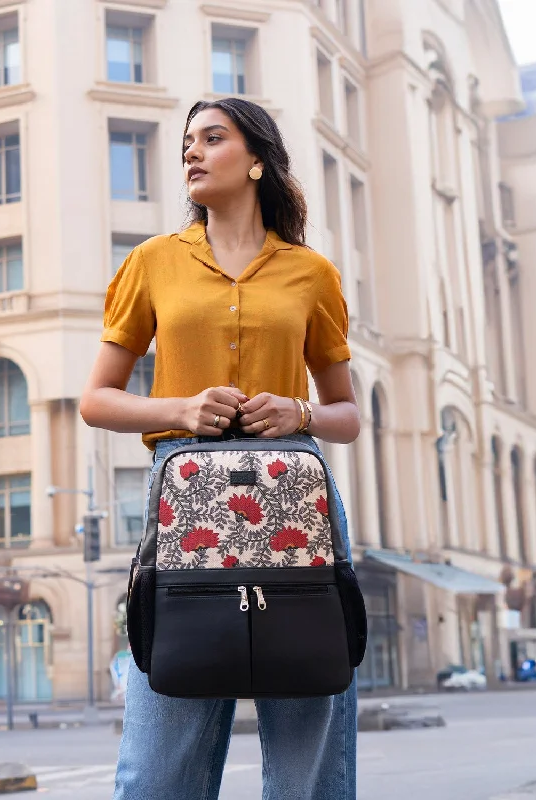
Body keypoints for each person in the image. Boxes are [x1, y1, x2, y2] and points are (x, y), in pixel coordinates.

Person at [80, 97, 361, 800]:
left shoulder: (311, 273)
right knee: (155, 762)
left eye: (213, 138)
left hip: (297, 508)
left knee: (309, 755)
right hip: (187, 511)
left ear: (258, 160)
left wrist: (298, 409)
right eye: (187, 144)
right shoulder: (151, 263)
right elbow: (97, 399)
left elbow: (348, 416)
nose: (192, 153)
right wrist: (182, 408)